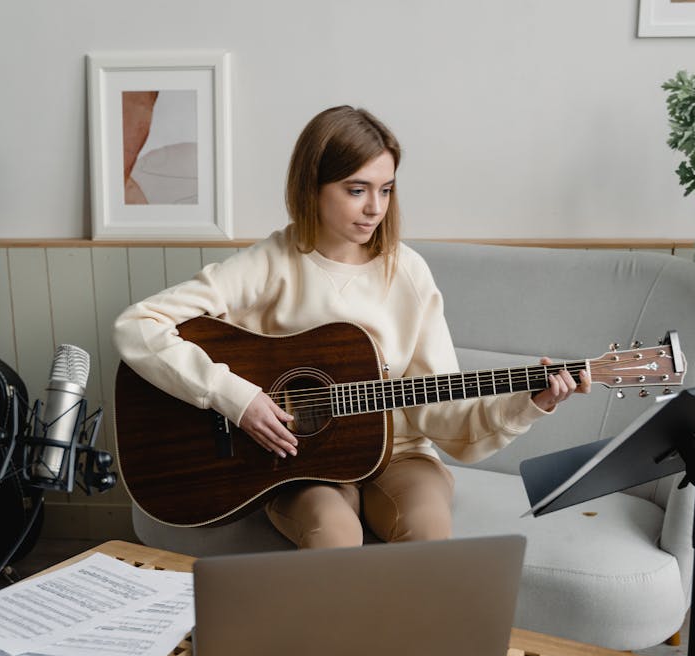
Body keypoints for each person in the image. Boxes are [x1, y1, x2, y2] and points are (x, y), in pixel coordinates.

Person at [113, 105, 590, 549]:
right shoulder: (270, 263)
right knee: (334, 536)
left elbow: (442, 410)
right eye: (356, 189)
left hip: (401, 452)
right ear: (312, 187)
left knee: (429, 537)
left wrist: (531, 403)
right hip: (298, 462)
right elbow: (138, 324)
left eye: (386, 190)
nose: (374, 208)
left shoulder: (408, 272)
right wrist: (236, 398)